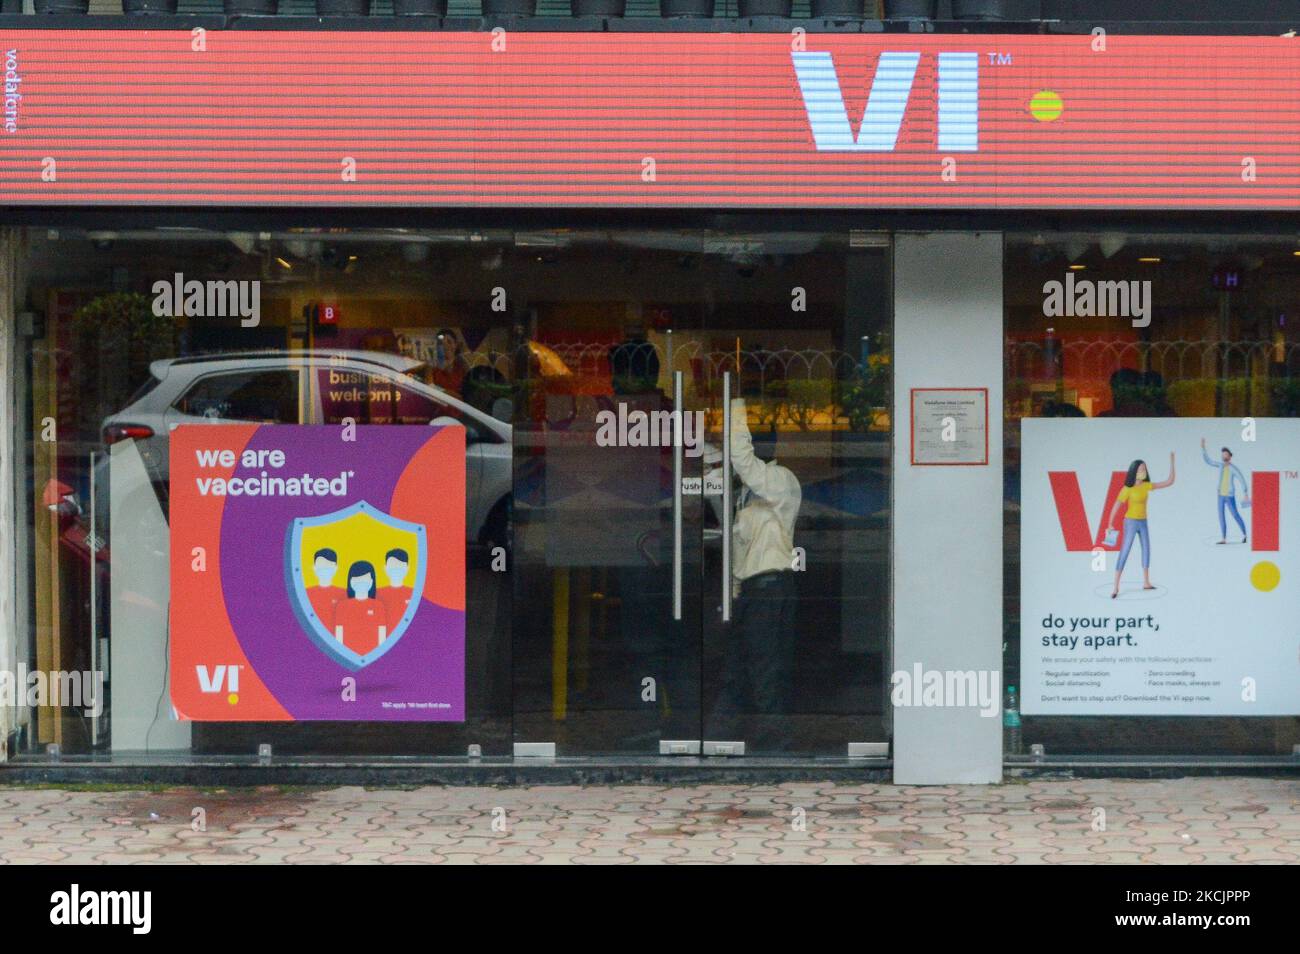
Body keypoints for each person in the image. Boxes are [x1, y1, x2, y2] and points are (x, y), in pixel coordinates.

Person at [709, 397, 802, 746]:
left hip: (771, 591)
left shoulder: (781, 481)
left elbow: (743, 461)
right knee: (735, 670)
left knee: (765, 671)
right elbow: (738, 550)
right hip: (749, 593)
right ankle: (722, 739)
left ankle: (774, 743)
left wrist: (733, 402)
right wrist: (732, 596)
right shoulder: (745, 493)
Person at [1106, 454, 1175, 598]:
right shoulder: (1127, 488)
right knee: (1125, 550)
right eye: (1141, 469)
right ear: (1134, 471)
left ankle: (1146, 582)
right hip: (1130, 522)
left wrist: (1172, 462)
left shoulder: (1146, 486)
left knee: (1146, 549)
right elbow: (1116, 505)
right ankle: (1115, 587)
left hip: (1143, 522)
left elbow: (1169, 482)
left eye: (1144, 469)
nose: (1143, 472)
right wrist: (1110, 523)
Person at [334, 560, 389, 655]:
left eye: (364, 580)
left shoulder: (378, 606)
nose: (361, 583)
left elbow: (382, 636)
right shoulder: (342, 606)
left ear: (371, 581)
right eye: (357, 580)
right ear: (350, 581)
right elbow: (339, 636)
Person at [1201, 438, 1249, 544]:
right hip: (1220, 496)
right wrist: (1203, 449)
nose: (1223, 456)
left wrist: (1245, 492)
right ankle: (1224, 538)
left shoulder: (1233, 468)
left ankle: (1245, 534)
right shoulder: (1220, 465)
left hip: (1229, 496)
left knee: (1235, 515)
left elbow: (1241, 479)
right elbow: (1209, 461)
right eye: (1222, 454)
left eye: (1226, 454)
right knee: (1221, 516)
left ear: (1230, 456)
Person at [306, 548, 344, 630]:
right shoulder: (306, 594)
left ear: (335, 568)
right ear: (314, 567)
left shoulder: (343, 594)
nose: (324, 569)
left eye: (328, 565)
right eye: (321, 565)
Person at [379, 548, 415, 623]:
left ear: (407, 568)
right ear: (385, 568)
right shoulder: (377, 594)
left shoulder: (414, 594)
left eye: (400, 566)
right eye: (393, 565)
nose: (396, 569)